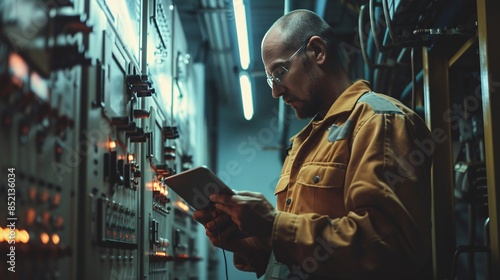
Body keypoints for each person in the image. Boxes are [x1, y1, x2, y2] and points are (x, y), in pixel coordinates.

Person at [194, 9, 433, 280]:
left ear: (317, 51)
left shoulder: (378, 121)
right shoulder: (303, 144)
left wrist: (274, 225)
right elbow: (303, 258)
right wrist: (251, 242)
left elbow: (390, 250)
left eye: (280, 71)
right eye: (271, 79)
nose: (275, 91)